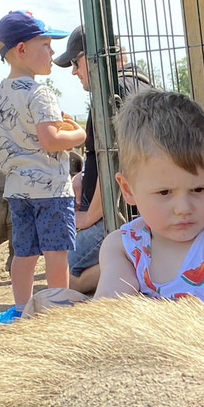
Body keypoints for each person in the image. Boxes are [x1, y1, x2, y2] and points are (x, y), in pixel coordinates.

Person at [93, 88, 204, 317]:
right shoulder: (125, 248)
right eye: (164, 192)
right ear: (128, 190)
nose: (184, 208)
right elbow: (108, 315)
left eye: (199, 189)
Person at [0, 10, 86, 321]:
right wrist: (78, 133)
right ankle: (57, 309)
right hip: (50, 190)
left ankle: (20, 308)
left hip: (18, 190)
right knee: (56, 251)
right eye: (45, 44)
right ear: (21, 49)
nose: (53, 52)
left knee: (25, 252)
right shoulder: (41, 94)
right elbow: (50, 140)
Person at [53, 27, 154, 293]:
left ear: (90, 57)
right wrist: (83, 177)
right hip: (135, 208)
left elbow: (115, 163)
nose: (74, 71)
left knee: (66, 264)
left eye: (75, 63)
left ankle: (145, 261)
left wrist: (88, 217)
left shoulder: (112, 92)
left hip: (121, 215)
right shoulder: (140, 81)